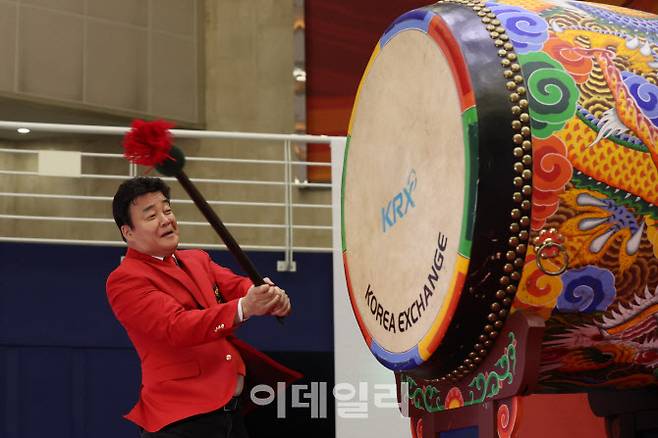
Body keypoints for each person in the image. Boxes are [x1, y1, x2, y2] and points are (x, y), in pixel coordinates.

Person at [106, 176, 299, 437]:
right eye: (151, 216)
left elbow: (239, 286)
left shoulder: (197, 259)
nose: (165, 219)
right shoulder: (125, 279)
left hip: (230, 414)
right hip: (183, 420)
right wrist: (245, 306)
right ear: (128, 232)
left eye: (167, 209)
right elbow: (177, 326)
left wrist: (267, 296)